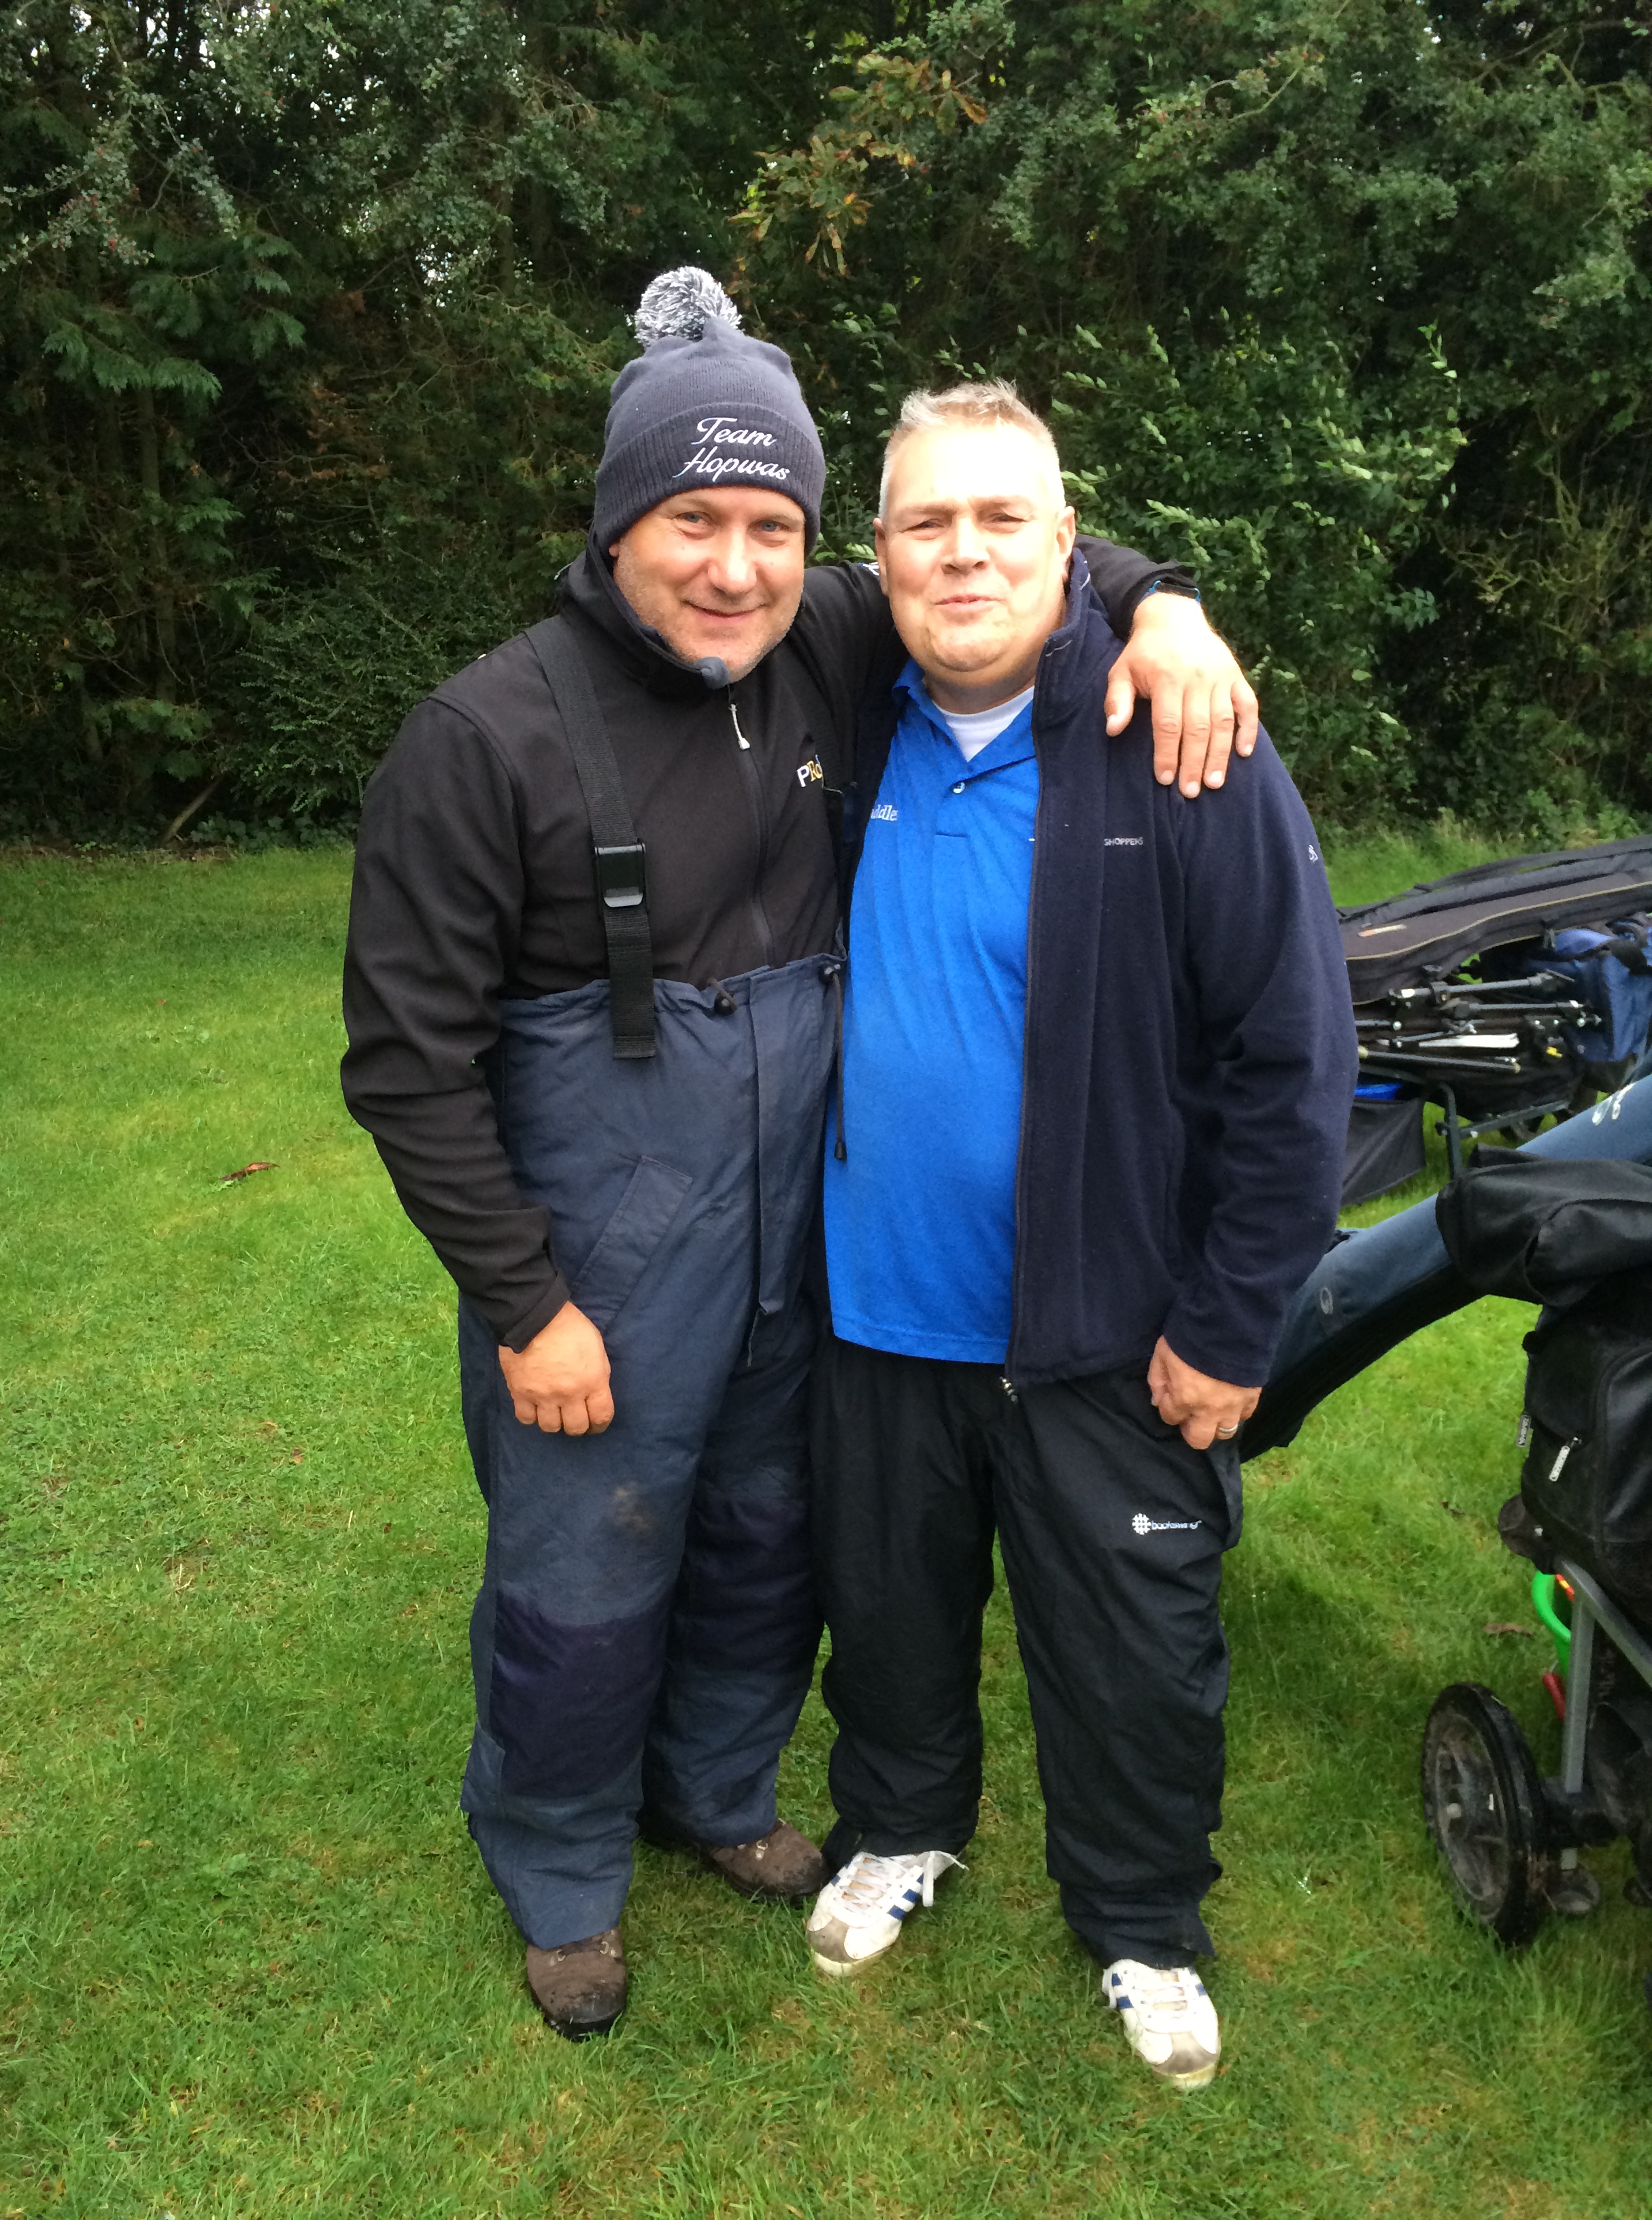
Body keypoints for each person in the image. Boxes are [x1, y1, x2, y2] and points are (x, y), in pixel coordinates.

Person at [341, 271, 1255, 2040]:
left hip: (799, 1254)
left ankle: (716, 1790)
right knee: (589, 1573)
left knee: (767, 1542)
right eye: (692, 521)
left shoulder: (828, 641)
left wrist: (1168, 608)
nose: (735, 567)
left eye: (773, 527)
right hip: (599, 1268)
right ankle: (562, 1869)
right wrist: (524, 1304)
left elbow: (1007, 548)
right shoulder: (483, 741)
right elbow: (406, 1066)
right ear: (617, 523)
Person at [804, 382, 1356, 2090]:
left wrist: (1234, 1322)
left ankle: (1141, 1921)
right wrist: (1158, 586)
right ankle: (902, 1828)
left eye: (1004, 519)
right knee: (888, 1615)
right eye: (927, 522)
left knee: (1136, 1655)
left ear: (1068, 544)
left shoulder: (1174, 739)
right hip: (876, 1313)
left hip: (1109, 1328)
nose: (964, 553)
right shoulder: (839, 719)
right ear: (876, 553)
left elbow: (1296, 1057)